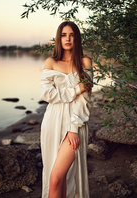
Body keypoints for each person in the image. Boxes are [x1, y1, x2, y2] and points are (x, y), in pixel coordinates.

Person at [40, 21, 93, 198]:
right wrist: (77, 89)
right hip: (52, 121)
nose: (68, 39)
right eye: (63, 35)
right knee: (56, 178)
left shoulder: (85, 62)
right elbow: (47, 94)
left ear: (77, 38)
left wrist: (74, 128)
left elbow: (84, 101)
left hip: (75, 122)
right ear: (58, 38)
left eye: (71, 35)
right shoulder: (51, 62)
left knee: (56, 177)